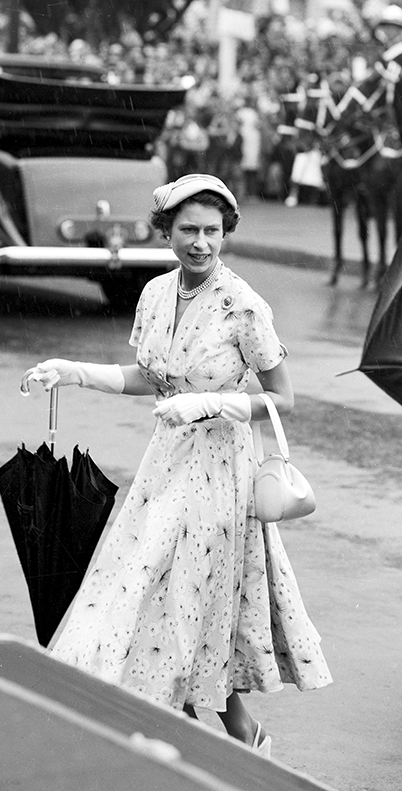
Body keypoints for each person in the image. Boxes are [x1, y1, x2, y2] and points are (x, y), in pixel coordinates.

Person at [20, 174, 332, 758]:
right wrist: (73, 371)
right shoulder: (156, 294)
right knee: (164, 593)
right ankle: (233, 733)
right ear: (165, 233)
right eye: (188, 230)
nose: (201, 243)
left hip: (222, 469)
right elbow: (148, 379)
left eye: (213, 231)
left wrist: (216, 402)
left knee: (172, 590)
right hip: (165, 464)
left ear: (226, 234)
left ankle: (190, 729)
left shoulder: (244, 305)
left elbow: (283, 400)